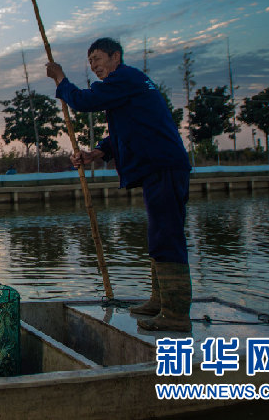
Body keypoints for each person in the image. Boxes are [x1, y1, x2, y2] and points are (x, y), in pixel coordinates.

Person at [45, 38, 192, 332]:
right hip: (159, 167)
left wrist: (60, 79)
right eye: (90, 62)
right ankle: (159, 301)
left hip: (163, 166)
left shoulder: (125, 77)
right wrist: (97, 152)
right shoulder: (129, 84)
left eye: (98, 59)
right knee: (159, 233)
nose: (95, 66)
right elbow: (127, 129)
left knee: (166, 234)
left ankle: (175, 313)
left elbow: (84, 101)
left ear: (116, 56)